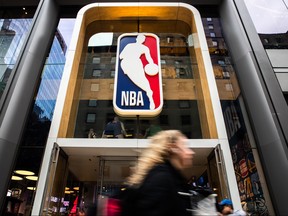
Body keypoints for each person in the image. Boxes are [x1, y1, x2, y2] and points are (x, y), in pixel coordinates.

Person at [121, 130, 195, 216]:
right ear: (174, 148)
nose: (191, 152)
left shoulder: (173, 178)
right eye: (186, 146)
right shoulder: (161, 179)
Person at [119, 33, 156, 110]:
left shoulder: (144, 48)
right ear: (138, 39)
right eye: (141, 38)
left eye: (142, 39)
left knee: (142, 79)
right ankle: (149, 93)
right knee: (139, 80)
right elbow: (120, 56)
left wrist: (152, 65)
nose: (141, 40)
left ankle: (150, 95)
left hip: (134, 63)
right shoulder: (130, 46)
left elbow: (149, 59)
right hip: (128, 64)